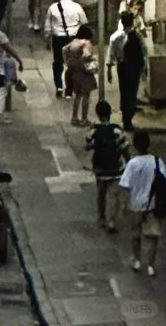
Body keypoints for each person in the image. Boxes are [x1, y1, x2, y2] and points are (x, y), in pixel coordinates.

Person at [118, 129, 166, 276]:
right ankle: (150, 264)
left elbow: (125, 185)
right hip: (153, 204)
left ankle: (137, 260)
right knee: (152, 235)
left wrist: (123, 205)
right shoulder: (157, 161)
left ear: (135, 145)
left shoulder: (133, 163)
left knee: (135, 232)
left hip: (135, 203)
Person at [87, 99, 127, 230]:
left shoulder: (93, 130)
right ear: (110, 113)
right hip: (115, 168)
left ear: (97, 113)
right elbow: (124, 147)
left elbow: (88, 146)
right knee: (113, 195)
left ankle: (101, 217)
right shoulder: (117, 130)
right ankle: (111, 221)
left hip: (100, 168)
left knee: (101, 194)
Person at [45, 0, 84, 97]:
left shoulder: (53, 7)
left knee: (58, 63)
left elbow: (48, 26)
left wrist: (47, 40)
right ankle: (69, 89)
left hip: (58, 38)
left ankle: (59, 86)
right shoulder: (77, 7)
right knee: (72, 65)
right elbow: (84, 23)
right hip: (72, 38)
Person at [115, 11, 147, 132]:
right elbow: (144, 51)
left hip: (123, 67)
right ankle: (128, 117)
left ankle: (126, 118)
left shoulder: (117, 36)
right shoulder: (137, 35)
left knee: (124, 92)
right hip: (134, 67)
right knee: (132, 92)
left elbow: (115, 54)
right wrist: (144, 67)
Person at [64, 22, 98, 127]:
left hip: (74, 72)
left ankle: (74, 117)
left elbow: (64, 50)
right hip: (84, 72)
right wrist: (92, 59)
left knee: (77, 95)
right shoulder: (86, 43)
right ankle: (84, 118)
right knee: (86, 95)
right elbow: (86, 54)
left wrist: (68, 62)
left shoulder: (73, 42)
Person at [0, 28, 24, 116]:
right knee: (1, 91)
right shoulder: (0, 36)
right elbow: (11, 50)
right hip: (0, 68)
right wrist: (20, 61)